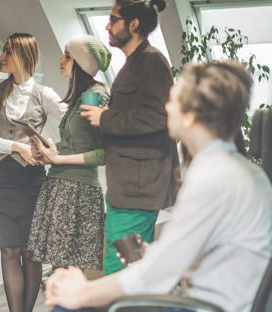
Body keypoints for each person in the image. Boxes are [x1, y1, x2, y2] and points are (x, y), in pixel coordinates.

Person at [45, 61, 272, 312]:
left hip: (210, 306)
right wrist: (153, 252)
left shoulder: (212, 177)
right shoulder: (240, 170)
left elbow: (153, 278)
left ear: (190, 116)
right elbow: (206, 251)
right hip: (226, 299)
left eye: (173, 101)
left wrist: (82, 293)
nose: (167, 107)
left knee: (66, 307)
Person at [80, 0, 179, 275]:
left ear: (133, 24)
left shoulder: (153, 61)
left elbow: (160, 117)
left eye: (113, 20)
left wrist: (106, 118)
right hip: (127, 188)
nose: (107, 26)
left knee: (118, 268)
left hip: (139, 191)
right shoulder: (133, 63)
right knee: (131, 266)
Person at [0, 33, 67, 312]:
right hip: (1, 182)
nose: (1, 57)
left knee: (31, 253)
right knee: (8, 251)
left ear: (23, 57)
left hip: (33, 183)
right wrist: (17, 145)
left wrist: (51, 150)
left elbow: (74, 125)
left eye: (7, 52)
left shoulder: (45, 94)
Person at [27, 35, 111, 272]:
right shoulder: (79, 97)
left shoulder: (95, 96)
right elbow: (76, 144)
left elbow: (103, 153)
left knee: (67, 270)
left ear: (82, 64)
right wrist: (46, 154)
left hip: (77, 191)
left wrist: (57, 158)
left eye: (67, 56)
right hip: (61, 185)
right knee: (60, 269)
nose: (60, 60)